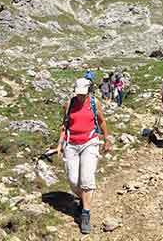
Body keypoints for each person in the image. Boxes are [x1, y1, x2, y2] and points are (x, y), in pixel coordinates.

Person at [55, 78, 111, 234]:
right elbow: (64, 125)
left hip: (90, 142)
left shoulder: (94, 103)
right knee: (73, 180)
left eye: (83, 94)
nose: (80, 97)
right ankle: (83, 197)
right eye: (78, 94)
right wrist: (60, 144)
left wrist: (107, 139)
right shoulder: (69, 104)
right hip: (71, 144)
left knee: (86, 178)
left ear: (89, 91)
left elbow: (101, 121)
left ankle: (85, 213)